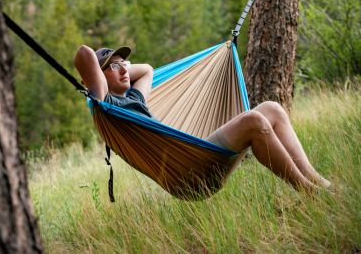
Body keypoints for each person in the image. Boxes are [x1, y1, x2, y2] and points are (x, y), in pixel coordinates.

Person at [74, 45, 331, 193]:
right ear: (98, 77)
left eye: (125, 63)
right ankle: (309, 193)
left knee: (272, 108)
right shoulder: (105, 105)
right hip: (185, 174)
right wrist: (96, 83)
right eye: (114, 66)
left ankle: (318, 183)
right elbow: (84, 54)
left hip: (197, 155)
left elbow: (149, 70)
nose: (124, 69)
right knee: (254, 120)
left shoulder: (136, 98)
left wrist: (119, 66)